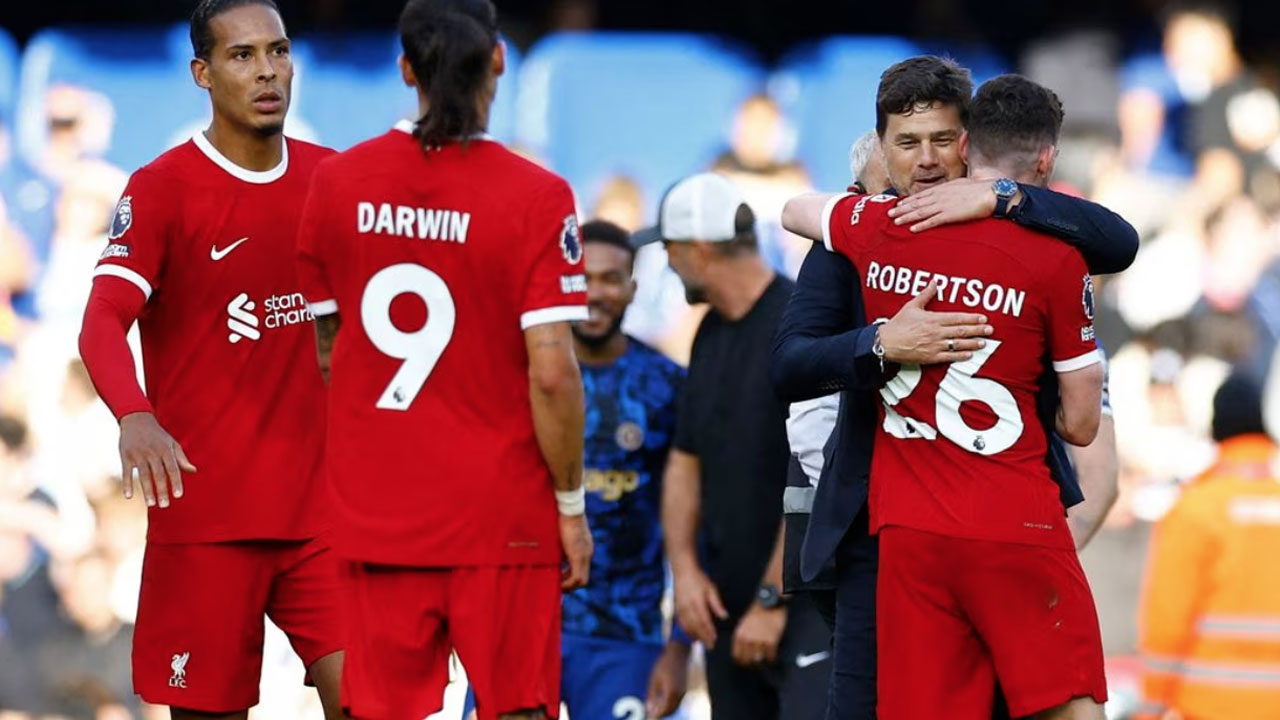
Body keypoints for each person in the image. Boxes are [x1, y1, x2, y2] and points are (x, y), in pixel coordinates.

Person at [774, 55, 1137, 718]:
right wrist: (879, 344)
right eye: (908, 144)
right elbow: (789, 366)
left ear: (968, 143)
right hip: (898, 533)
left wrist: (1006, 197)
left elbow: (792, 209)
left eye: (943, 140)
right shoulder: (874, 229)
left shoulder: (886, 232)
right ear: (881, 149)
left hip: (932, 525)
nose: (929, 160)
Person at [293, 1, 592, 718]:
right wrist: (571, 507)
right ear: (497, 62)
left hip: (378, 509)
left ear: (405, 70)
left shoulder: (336, 185)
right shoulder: (538, 196)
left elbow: (326, 352)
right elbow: (552, 373)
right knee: (518, 707)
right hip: (502, 513)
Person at [76, 2, 343, 718]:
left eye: (279, 52)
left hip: (323, 513)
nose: (267, 71)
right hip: (208, 518)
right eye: (242, 55)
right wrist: (134, 415)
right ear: (203, 73)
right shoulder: (164, 187)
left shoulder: (334, 179)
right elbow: (102, 319)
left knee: (373, 699)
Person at [638, 172, 831, 719]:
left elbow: (816, 478)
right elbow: (685, 458)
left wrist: (773, 599)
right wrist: (686, 574)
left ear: (698, 251)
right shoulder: (711, 332)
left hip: (799, 611)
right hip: (726, 611)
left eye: (670, 250)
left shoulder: (800, 329)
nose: (667, 265)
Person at [1136, 372, 1280, 720]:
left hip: (1209, 706)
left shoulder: (1195, 509)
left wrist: (1150, 706)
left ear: (1217, 429)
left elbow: (1168, 618)